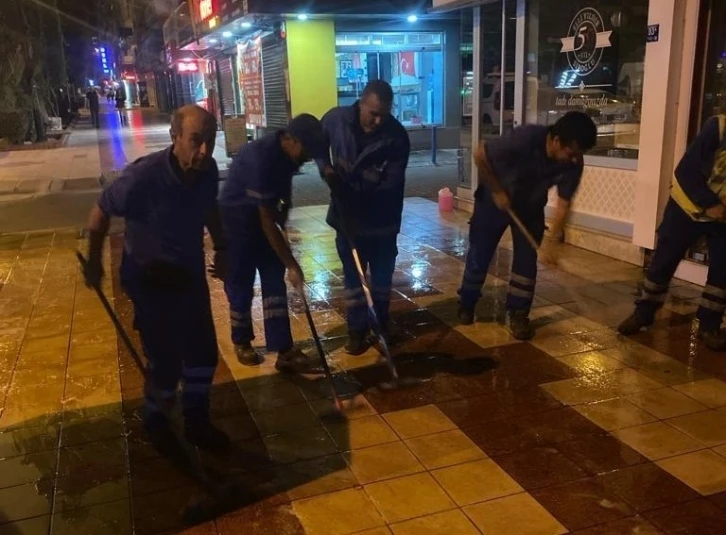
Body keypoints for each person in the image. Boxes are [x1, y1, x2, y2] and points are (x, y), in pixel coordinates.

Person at [83, 105, 231, 453]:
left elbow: (209, 206)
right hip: (150, 280)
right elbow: (100, 210)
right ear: (174, 137)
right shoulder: (143, 178)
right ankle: (157, 421)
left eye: (209, 140)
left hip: (189, 274)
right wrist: (93, 261)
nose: (204, 150)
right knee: (165, 359)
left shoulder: (206, 171)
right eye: (196, 140)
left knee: (202, 354)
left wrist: (222, 247)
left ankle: (197, 420)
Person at [457, 112, 597, 340]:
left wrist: (551, 244)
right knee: (480, 254)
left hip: (530, 207)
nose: (573, 160)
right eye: (571, 153)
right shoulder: (525, 139)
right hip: (494, 202)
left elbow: (564, 204)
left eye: (578, 155)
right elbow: (480, 153)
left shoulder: (574, 162)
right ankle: (467, 302)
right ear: (555, 140)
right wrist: (497, 190)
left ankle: (519, 313)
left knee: (526, 262)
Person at [219, 114, 328, 373]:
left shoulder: (288, 155)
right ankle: (242, 341)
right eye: (308, 150)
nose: (310, 157)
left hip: (262, 219)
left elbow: (280, 201)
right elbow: (266, 220)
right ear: (290, 139)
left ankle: (284, 349)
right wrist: (292, 263)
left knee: (274, 282)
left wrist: (285, 217)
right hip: (238, 225)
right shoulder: (262, 157)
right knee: (241, 284)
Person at [317, 80, 410, 355]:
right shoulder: (336, 120)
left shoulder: (396, 136)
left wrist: (352, 199)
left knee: (381, 279)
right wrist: (326, 169)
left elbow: (390, 185)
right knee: (354, 279)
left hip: (382, 220)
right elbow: (317, 141)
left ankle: (380, 324)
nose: (379, 120)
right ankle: (356, 331)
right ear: (361, 102)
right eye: (373, 113)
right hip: (347, 221)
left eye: (384, 114)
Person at [618, 115, 726, 350]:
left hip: (722, 216)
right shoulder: (717, 128)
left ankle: (709, 326)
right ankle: (643, 313)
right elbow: (686, 171)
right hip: (686, 207)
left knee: (722, 273)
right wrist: (709, 203)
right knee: (663, 262)